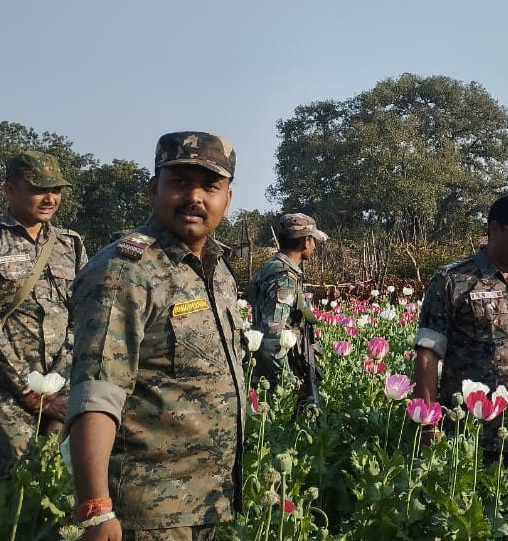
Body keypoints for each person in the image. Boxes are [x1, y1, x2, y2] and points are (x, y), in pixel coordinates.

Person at [67, 132, 245, 540]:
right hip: (147, 512)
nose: (194, 197)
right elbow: (97, 393)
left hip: (209, 502)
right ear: (153, 190)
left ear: (228, 199)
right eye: (179, 182)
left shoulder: (216, 269)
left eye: (210, 186)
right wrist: (95, 509)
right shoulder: (125, 271)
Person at [0, 150, 87, 483]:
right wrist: (30, 392)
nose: (49, 198)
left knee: (61, 479)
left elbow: (82, 315)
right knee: (15, 478)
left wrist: (59, 379)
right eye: (38, 189)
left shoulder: (70, 244)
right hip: (7, 388)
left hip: (61, 382)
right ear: (10, 190)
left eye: (56, 190)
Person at [413, 195, 508, 466]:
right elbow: (427, 354)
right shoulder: (453, 281)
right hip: (471, 436)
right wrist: (428, 424)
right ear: (494, 229)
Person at [245, 213, 328, 410]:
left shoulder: (270, 268)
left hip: (265, 371)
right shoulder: (284, 278)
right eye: (313, 240)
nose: (314, 246)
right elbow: (272, 338)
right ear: (306, 242)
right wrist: (291, 383)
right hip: (276, 381)